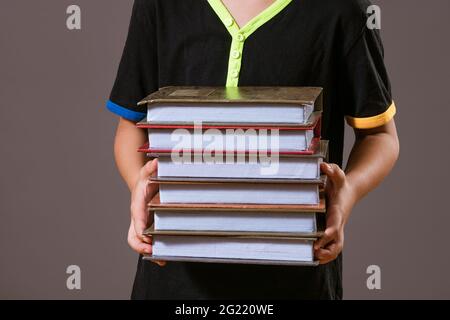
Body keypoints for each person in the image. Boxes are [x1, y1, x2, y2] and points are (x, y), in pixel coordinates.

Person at [107, 0, 399, 299]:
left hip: (297, 276)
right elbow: (130, 125)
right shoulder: (158, 5)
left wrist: (347, 191)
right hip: (171, 279)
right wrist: (138, 185)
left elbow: (380, 136)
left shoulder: (343, 9)